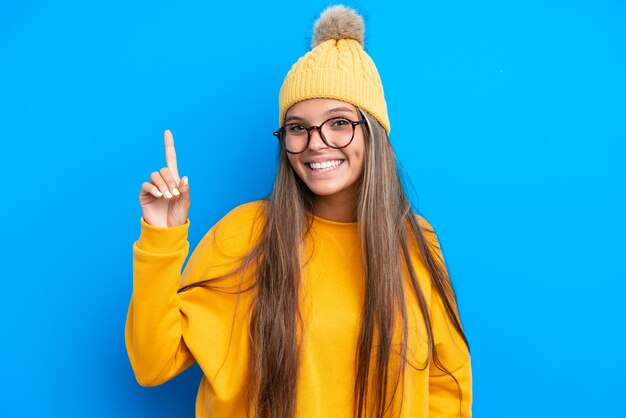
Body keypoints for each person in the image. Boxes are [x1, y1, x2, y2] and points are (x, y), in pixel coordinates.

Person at [125, 5, 472, 418]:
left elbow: (446, 385)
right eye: (297, 127)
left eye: (339, 122)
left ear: (374, 132)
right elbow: (153, 363)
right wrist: (161, 237)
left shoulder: (416, 241)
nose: (316, 142)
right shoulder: (245, 234)